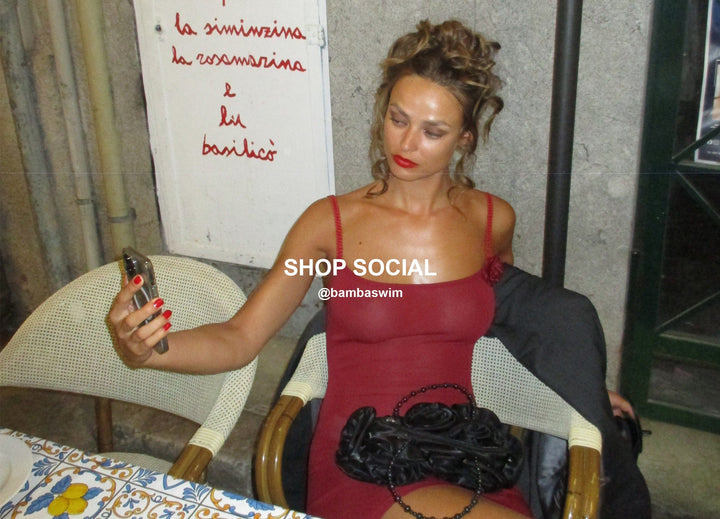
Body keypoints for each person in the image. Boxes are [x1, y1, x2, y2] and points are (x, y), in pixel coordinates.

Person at [109, 20, 637, 519]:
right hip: (361, 456)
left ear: (465, 138)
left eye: (433, 131)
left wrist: (577, 389)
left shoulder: (491, 221)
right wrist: (151, 350)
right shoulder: (329, 224)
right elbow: (241, 337)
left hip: (459, 451)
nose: (406, 144)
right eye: (398, 119)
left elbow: (506, 320)